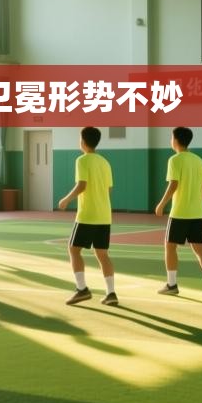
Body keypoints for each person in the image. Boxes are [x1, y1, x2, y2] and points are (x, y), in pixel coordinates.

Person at [154, 126, 202, 298]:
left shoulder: (174, 160)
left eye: (171, 137)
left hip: (180, 213)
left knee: (170, 246)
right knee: (199, 247)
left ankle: (171, 284)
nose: (170, 140)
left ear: (175, 140)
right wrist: (200, 198)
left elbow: (173, 184)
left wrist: (161, 204)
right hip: (197, 213)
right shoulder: (197, 159)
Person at [57, 126, 118, 306]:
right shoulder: (105, 163)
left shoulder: (82, 160)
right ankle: (111, 293)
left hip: (87, 215)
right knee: (103, 254)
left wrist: (66, 199)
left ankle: (81, 289)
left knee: (73, 249)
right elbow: (109, 190)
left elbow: (82, 185)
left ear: (83, 141)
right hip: (104, 216)